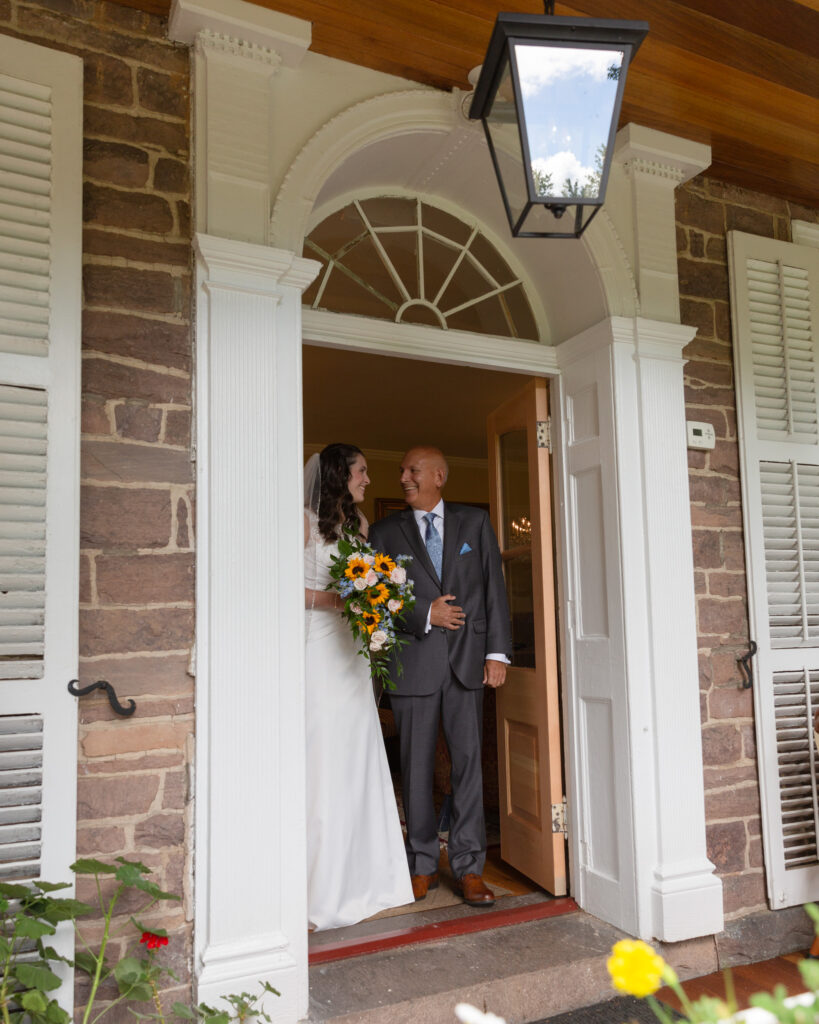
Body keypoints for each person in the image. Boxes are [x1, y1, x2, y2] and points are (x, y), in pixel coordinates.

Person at [368, 446, 512, 908]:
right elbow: (374, 599)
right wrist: (422, 613)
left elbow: (494, 589)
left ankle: (470, 868)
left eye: (412, 470)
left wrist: (497, 654)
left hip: (468, 663)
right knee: (415, 769)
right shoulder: (384, 532)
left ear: (439, 476)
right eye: (402, 470)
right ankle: (422, 864)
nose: (404, 477)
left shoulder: (474, 524)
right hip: (413, 663)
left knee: (469, 767)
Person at [304, 443, 414, 931]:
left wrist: (378, 599)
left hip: (352, 655)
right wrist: (342, 598)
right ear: (339, 475)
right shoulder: (301, 522)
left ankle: (369, 879)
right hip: (317, 650)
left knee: (357, 756)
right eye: (363, 471)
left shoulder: (362, 527)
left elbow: (368, 584)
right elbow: (286, 587)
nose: (369, 479)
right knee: (323, 756)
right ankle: (315, 889)